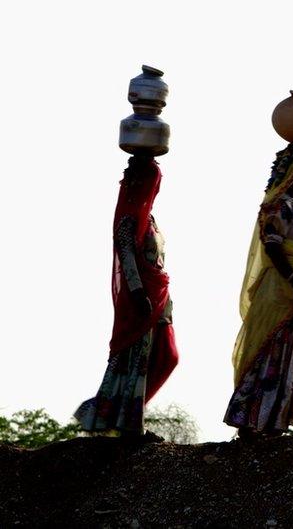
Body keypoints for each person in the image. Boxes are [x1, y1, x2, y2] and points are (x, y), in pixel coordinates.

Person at [224, 144, 293, 440]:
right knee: (276, 353)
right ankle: (256, 421)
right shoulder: (278, 206)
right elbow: (273, 247)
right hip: (283, 289)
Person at [75, 153, 179, 440]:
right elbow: (127, 256)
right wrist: (137, 292)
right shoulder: (128, 217)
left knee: (167, 355)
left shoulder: (150, 217)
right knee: (136, 358)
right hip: (140, 297)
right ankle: (128, 424)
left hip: (159, 294)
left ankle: (118, 414)